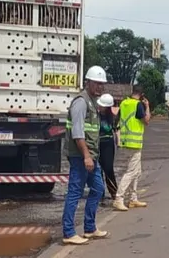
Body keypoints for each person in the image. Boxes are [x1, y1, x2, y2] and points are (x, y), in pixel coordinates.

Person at [61, 65, 109, 245]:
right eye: (96, 83)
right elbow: (78, 132)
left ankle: (89, 227)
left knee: (98, 189)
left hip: (90, 156)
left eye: (101, 84)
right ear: (88, 82)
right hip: (81, 156)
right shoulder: (81, 102)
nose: (100, 87)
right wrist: (87, 156)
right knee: (75, 192)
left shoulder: (92, 102)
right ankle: (68, 232)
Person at [112, 86, 150, 211]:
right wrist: (147, 106)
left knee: (137, 171)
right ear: (141, 94)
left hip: (125, 141)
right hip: (134, 143)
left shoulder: (124, 103)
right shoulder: (138, 105)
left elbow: (118, 120)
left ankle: (133, 199)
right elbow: (146, 120)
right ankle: (119, 198)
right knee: (131, 172)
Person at [96, 93, 119, 205]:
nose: (100, 107)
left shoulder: (112, 117)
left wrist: (118, 142)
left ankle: (114, 193)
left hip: (108, 144)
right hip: (97, 143)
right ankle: (100, 193)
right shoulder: (96, 115)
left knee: (108, 168)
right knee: (98, 169)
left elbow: (116, 129)